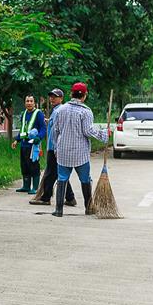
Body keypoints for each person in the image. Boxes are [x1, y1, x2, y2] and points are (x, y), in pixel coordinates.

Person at [51, 82, 108, 217]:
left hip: (63, 152)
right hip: (80, 153)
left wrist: (56, 148)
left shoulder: (60, 110)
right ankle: (88, 208)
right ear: (84, 95)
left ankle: (59, 210)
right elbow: (88, 131)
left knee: (62, 179)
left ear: (71, 94)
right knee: (85, 179)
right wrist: (104, 134)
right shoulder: (86, 111)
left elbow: (56, 130)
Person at [29, 89, 76, 206]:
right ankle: (70, 198)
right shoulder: (56, 111)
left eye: (55, 97)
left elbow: (60, 129)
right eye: (51, 96)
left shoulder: (59, 110)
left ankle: (45, 198)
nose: (52, 99)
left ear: (61, 98)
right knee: (59, 173)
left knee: (50, 173)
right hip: (54, 146)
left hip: (55, 147)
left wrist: (56, 148)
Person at [11, 95, 46, 194]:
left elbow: (43, 128)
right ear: (25, 103)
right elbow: (22, 129)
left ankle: (35, 188)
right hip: (23, 144)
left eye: (31, 101)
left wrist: (39, 137)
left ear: (34, 103)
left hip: (33, 146)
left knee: (34, 166)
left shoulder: (38, 114)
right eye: (27, 101)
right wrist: (16, 140)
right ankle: (26, 186)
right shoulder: (24, 114)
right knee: (24, 165)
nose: (29, 103)